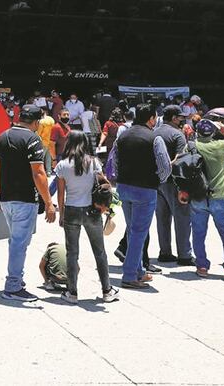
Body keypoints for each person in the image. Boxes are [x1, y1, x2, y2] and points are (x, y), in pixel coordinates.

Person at [0, 104, 54, 302]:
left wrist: (1, 195)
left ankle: (17, 279)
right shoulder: (33, 139)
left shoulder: (1, 137)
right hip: (25, 199)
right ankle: (12, 286)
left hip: (7, 198)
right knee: (20, 243)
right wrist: (49, 202)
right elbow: (38, 173)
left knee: (15, 241)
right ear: (36, 122)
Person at [56, 131, 119, 304]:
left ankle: (72, 292)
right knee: (99, 252)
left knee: (72, 253)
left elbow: (61, 194)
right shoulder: (94, 163)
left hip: (71, 210)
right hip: (92, 211)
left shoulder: (62, 165)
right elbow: (103, 185)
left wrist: (61, 214)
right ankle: (107, 290)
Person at [115, 104, 170, 288]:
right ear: (152, 119)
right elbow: (165, 166)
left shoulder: (122, 136)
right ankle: (130, 275)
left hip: (124, 187)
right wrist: (157, 181)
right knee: (139, 232)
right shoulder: (155, 138)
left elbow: (114, 161)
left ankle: (137, 270)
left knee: (132, 230)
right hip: (145, 189)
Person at [190, 119, 224, 280]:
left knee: (199, 233)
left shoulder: (192, 146)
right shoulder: (221, 145)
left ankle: (202, 266)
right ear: (213, 132)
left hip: (198, 197)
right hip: (219, 195)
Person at [154, 106, 193, 266]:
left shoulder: (154, 132)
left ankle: (165, 252)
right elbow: (181, 160)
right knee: (182, 218)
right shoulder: (178, 135)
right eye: (180, 117)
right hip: (174, 183)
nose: (182, 120)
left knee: (162, 219)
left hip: (156, 182)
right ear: (174, 118)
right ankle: (184, 255)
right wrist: (184, 187)